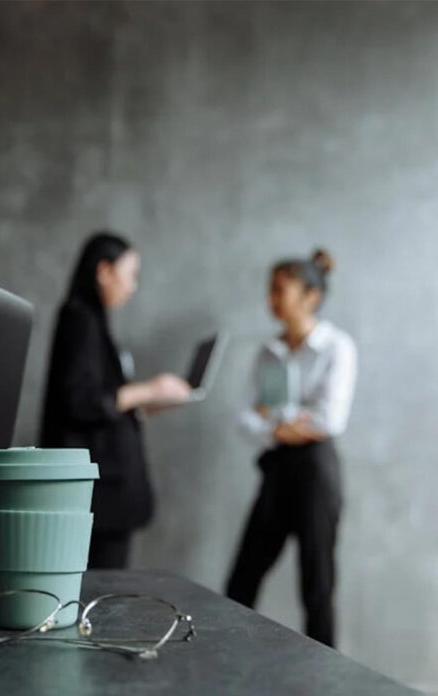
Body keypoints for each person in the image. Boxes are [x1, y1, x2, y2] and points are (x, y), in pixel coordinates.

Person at [226, 249, 357, 647]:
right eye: (270, 290)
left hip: (316, 473)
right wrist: (287, 424)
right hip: (277, 469)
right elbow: (244, 419)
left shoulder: (337, 347)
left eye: (280, 290)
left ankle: (325, 686)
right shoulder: (268, 352)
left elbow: (329, 420)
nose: (271, 299)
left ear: (310, 296)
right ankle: (223, 663)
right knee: (241, 579)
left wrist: (273, 419)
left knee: (317, 586)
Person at [40, 232, 192, 569]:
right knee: (100, 590)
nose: (132, 286)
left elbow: (103, 404)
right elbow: (82, 401)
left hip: (105, 495)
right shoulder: (79, 318)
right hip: (97, 495)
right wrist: (151, 389)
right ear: (104, 271)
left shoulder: (92, 322)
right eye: (131, 274)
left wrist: (145, 406)